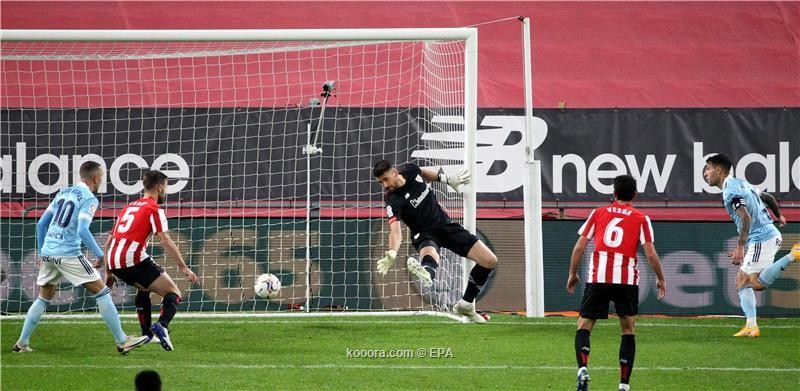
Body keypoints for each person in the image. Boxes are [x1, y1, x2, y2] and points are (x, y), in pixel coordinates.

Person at [12, 161, 149, 354]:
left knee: (44, 298)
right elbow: (83, 230)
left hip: (49, 251)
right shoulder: (89, 198)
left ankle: (22, 343)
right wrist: (102, 255)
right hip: (67, 253)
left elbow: (41, 224)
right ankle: (122, 340)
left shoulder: (64, 192)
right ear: (96, 178)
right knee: (102, 292)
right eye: (101, 177)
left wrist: (43, 252)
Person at [566, 175, 667, 391]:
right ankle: (623, 385)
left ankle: (582, 368)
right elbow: (650, 253)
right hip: (626, 280)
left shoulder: (598, 212)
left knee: (584, 325)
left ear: (614, 194)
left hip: (598, 278)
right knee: (628, 330)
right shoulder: (641, 218)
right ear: (634, 195)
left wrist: (573, 273)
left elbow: (579, 247)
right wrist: (660, 278)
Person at [373, 160, 497, 323]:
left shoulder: (411, 170)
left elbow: (422, 172)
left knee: (489, 260)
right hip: (424, 234)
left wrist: (445, 179)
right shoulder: (392, 200)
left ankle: (466, 304)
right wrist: (392, 252)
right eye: (380, 182)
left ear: (395, 173)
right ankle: (426, 271)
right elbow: (395, 231)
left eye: (386, 179)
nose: (384, 185)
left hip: (445, 226)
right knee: (430, 255)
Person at [703, 153, 798, 337]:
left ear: (719, 170)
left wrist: (740, 247)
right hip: (764, 236)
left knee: (755, 283)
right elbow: (768, 198)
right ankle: (751, 326)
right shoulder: (742, 183)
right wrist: (778, 216)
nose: (705, 173)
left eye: (708, 168)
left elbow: (746, 217)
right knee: (741, 280)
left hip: (762, 238)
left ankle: (794, 254)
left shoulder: (730, 190)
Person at [104, 170, 198, 351]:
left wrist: (108, 272)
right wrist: (183, 267)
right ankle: (162, 325)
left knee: (144, 287)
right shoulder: (153, 208)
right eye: (166, 187)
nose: (166, 192)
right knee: (173, 293)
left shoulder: (128, 207)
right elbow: (165, 240)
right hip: (132, 258)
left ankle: (146, 335)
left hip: (114, 260)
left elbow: (109, 242)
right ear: (160, 187)